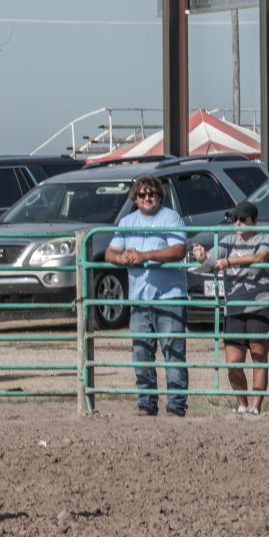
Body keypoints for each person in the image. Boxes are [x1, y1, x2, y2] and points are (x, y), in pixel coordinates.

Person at [104, 174, 188, 417]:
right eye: (142, 194)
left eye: (152, 193)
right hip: (139, 298)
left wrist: (145, 256)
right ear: (135, 198)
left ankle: (176, 407)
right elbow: (110, 252)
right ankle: (146, 403)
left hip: (170, 297)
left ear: (160, 196)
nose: (147, 197)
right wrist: (122, 258)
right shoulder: (127, 222)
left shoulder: (171, 217)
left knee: (173, 353)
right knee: (141, 353)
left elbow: (178, 250)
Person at [192, 200, 269, 416]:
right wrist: (202, 256)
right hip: (234, 308)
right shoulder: (227, 241)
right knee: (233, 362)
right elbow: (211, 259)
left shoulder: (265, 238)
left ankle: (255, 407)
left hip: (260, 305)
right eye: (235, 219)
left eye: (243, 219)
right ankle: (242, 405)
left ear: (254, 221)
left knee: (259, 356)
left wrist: (228, 262)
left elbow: (260, 257)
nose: (237, 223)